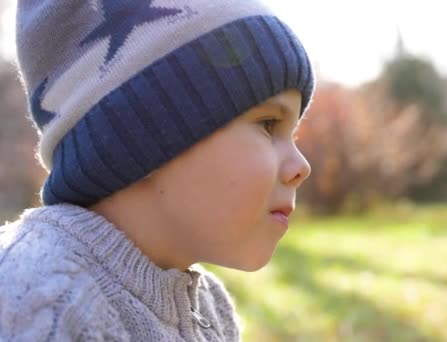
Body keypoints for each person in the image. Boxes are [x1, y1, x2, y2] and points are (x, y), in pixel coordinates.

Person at [0, 0, 314, 340]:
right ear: (143, 134)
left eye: (293, 134)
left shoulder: (210, 307)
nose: (302, 167)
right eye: (268, 124)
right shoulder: (40, 299)